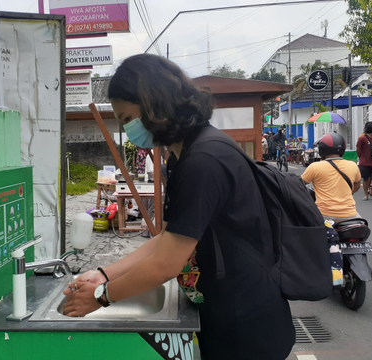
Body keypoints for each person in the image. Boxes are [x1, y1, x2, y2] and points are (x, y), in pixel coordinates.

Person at [62, 54, 295, 359]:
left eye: (126, 118)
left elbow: (166, 263)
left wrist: (101, 296)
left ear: (154, 104)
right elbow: (167, 238)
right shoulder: (183, 156)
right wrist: (104, 274)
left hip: (245, 325)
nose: (127, 129)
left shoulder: (204, 160)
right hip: (225, 310)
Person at [302, 133, 362, 223]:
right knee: (361, 228)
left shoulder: (314, 167)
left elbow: (300, 184)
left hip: (323, 215)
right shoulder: (353, 165)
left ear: (322, 149)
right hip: (350, 215)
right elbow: (356, 187)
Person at [356, 122, 372, 200]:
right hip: (364, 162)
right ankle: (366, 194)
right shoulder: (362, 138)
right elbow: (358, 149)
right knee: (366, 178)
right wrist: (361, 157)